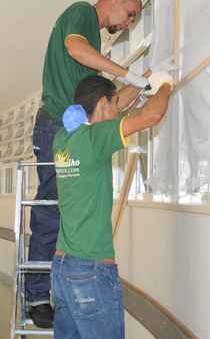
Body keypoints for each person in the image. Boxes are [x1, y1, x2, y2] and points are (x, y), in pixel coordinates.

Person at [28, 0, 148, 327]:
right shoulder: (82, 12)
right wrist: (126, 73)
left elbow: (107, 106)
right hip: (55, 126)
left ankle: (48, 294)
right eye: (130, 14)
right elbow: (75, 47)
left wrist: (144, 84)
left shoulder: (94, 50)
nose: (128, 24)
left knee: (65, 211)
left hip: (68, 130)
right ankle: (36, 297)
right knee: (52, 209)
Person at [51, 74, 172, 339]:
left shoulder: (62, 139)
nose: (120, 111)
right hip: (90, 272)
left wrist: (144, 81)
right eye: (115, 106)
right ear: (103, 104)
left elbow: (113, 105)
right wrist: (166, 84)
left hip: (62, 268)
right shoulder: (97, 137)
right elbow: (152, 116)